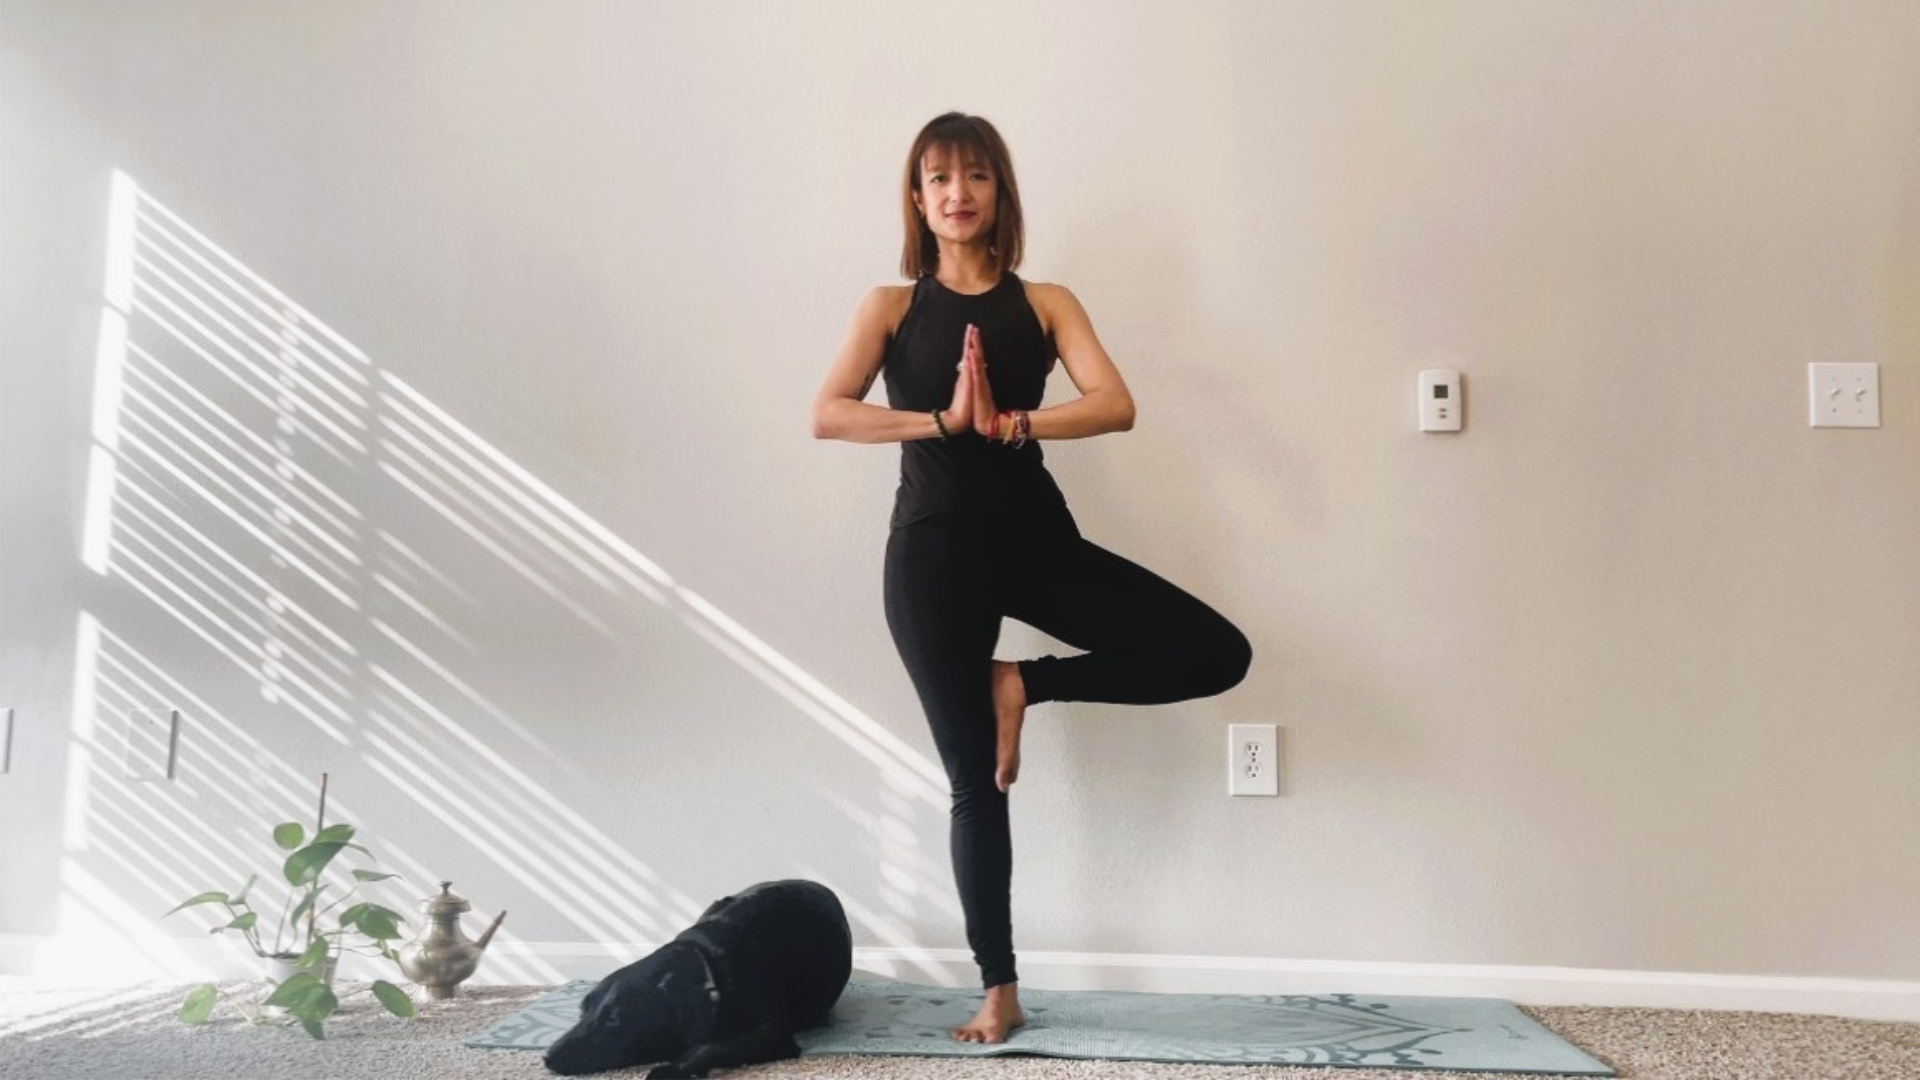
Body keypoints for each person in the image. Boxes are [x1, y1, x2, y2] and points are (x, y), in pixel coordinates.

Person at [810, 112, 1251, 1044]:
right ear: (918, 200)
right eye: (937, 179)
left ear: (1000, 192)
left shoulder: (1045, 301)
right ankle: (999, 987)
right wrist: (943, 421)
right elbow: (829, 415)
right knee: (977, 781)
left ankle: (1025, 681)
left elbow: (1114, 404)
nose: (956, 193)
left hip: (1034, 542)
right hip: (932, 556)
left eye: (974, 176)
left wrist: (1011, 424)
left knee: (1217, 654)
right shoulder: (890, 309)